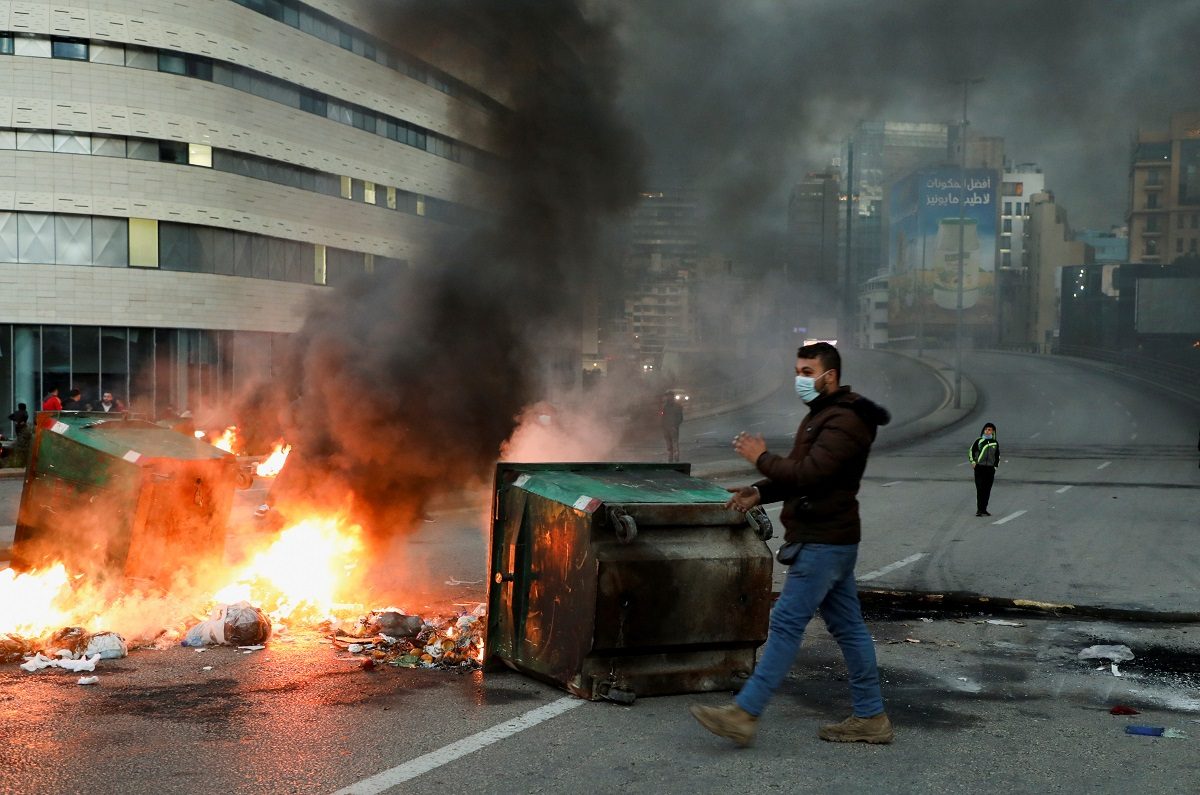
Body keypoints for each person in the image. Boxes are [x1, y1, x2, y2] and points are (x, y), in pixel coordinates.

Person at [689, 342, 894, 747]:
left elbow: (811, 475)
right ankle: (871, 716)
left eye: (806, 371)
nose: (799, 378)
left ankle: (744, 713)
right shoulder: (827, 415)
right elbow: (800, 475)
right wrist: (758, 492)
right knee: (849, 628)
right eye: (797, 370)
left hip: (822, 540)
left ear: (828, 376)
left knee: (784, 625)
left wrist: (761, 458)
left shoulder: (843, 421)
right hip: (831, 539)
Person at [969, 422, 1000, 517]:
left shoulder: (995, 443)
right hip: (980, 468)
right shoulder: (979, 441)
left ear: (993, 431)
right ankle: (979, 509)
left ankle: (984, 509)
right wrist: (973, 462)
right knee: (980, 488)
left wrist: (995, 467)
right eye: (986, 429)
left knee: (987, 489)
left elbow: (997, 456)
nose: (987, 431)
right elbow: (971, 451)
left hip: (990, 469)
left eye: (989, 429)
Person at [660, 390, 683, 463]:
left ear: (672, 396)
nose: (667, 397)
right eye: (667, 396)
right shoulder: (665, 407)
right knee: (669, 445)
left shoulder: (677, 406)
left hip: (673, 428)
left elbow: (680, 418)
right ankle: (670, 459)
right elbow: (662, 417)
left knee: (675, 444)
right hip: (666, 429)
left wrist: (675, 426)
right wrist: (663, 426)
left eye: (669, 396)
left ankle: (676, 459)